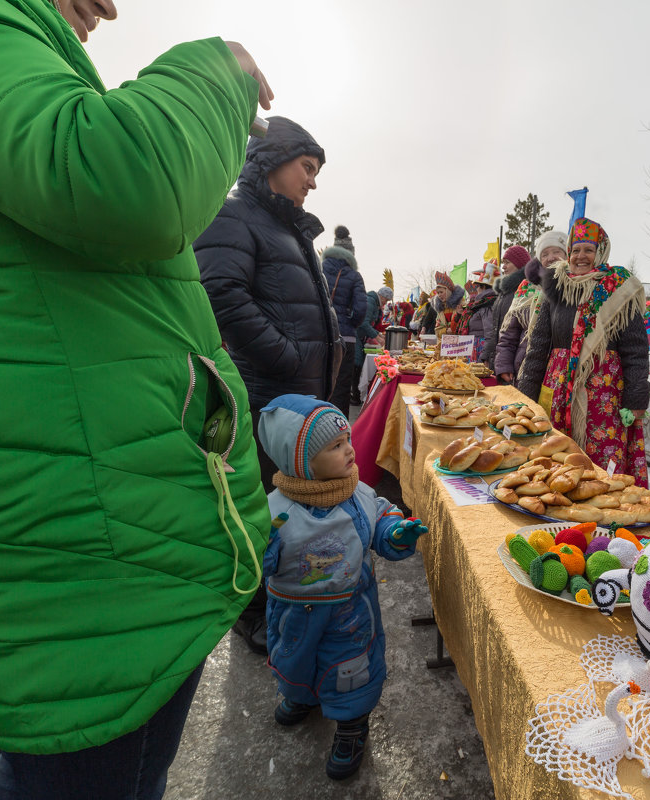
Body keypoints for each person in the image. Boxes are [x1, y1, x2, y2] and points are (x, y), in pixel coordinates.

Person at [0, 2, 276, 797]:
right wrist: (216, 69)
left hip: (105, 524)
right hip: (72, 543)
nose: (110, 6)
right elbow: (125, 175)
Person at [194, 114, 341, 653]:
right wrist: (287, 356)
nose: (313, 180)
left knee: (291, 504)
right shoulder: (234, 216)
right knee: (257, 505)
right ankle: (249, 612)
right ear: (272, 161)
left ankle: (286, 591)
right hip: (264, 396)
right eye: (307, 167)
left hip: (297, 396)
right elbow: (222, 294)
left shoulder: (287, 227)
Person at [256, 395, 427, 779]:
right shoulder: (273, 513)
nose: (350, 450)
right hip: (293, 613)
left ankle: (351, 724)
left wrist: (395, 533)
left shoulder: (358, 495)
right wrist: (253, 553)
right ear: (300, 462)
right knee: (293, 658)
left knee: (350, 669)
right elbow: (257, 561)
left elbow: (380, 519)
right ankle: (302, 695)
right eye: (335, 446)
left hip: (349, 614)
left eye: (346, 439)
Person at [517, 218, 650, 485]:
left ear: (600, 251)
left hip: (604, 396)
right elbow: (538, 346)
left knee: (600, 464)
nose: (581, 256)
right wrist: (526, 396)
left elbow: (636, 349)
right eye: (576, 250)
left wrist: (636, 400)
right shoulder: (554, 285)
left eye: (588, 250)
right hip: (557, 387)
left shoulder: (620, 288)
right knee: (555, 457)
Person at [495, 231, 566, 383]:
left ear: (567, 255)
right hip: (523, 370)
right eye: (545, 254)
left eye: (556, 251)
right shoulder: (527, 288)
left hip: (560, 371)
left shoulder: (575, 287)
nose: (551, 257)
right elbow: (508, 334)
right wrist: (504, 365)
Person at [322, 226, 367, 416]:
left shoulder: (318, 268)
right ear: (351, 255)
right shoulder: (354, 276)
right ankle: (339, 438)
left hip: (319, 334)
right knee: (341, 389)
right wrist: (350, 324)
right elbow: (360, 309)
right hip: (345, 338)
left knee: (319, 387)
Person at [483, 244, 531, 369]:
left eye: (507, 262)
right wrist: (487, 354)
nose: (503, 267)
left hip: (514, 362)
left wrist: (507, 363)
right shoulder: (503, 292)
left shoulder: (527, 290)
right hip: (499, 359)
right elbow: (495, 329)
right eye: (503, 262)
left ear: (519, 264)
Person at [450, 264, 499, 363]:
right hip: (473, 349)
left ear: (483, 287)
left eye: (477, 286)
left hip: (479, 351)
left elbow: (490, 334)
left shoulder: (487, 305)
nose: (476, 289)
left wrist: (484, 357)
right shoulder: (480, 304)